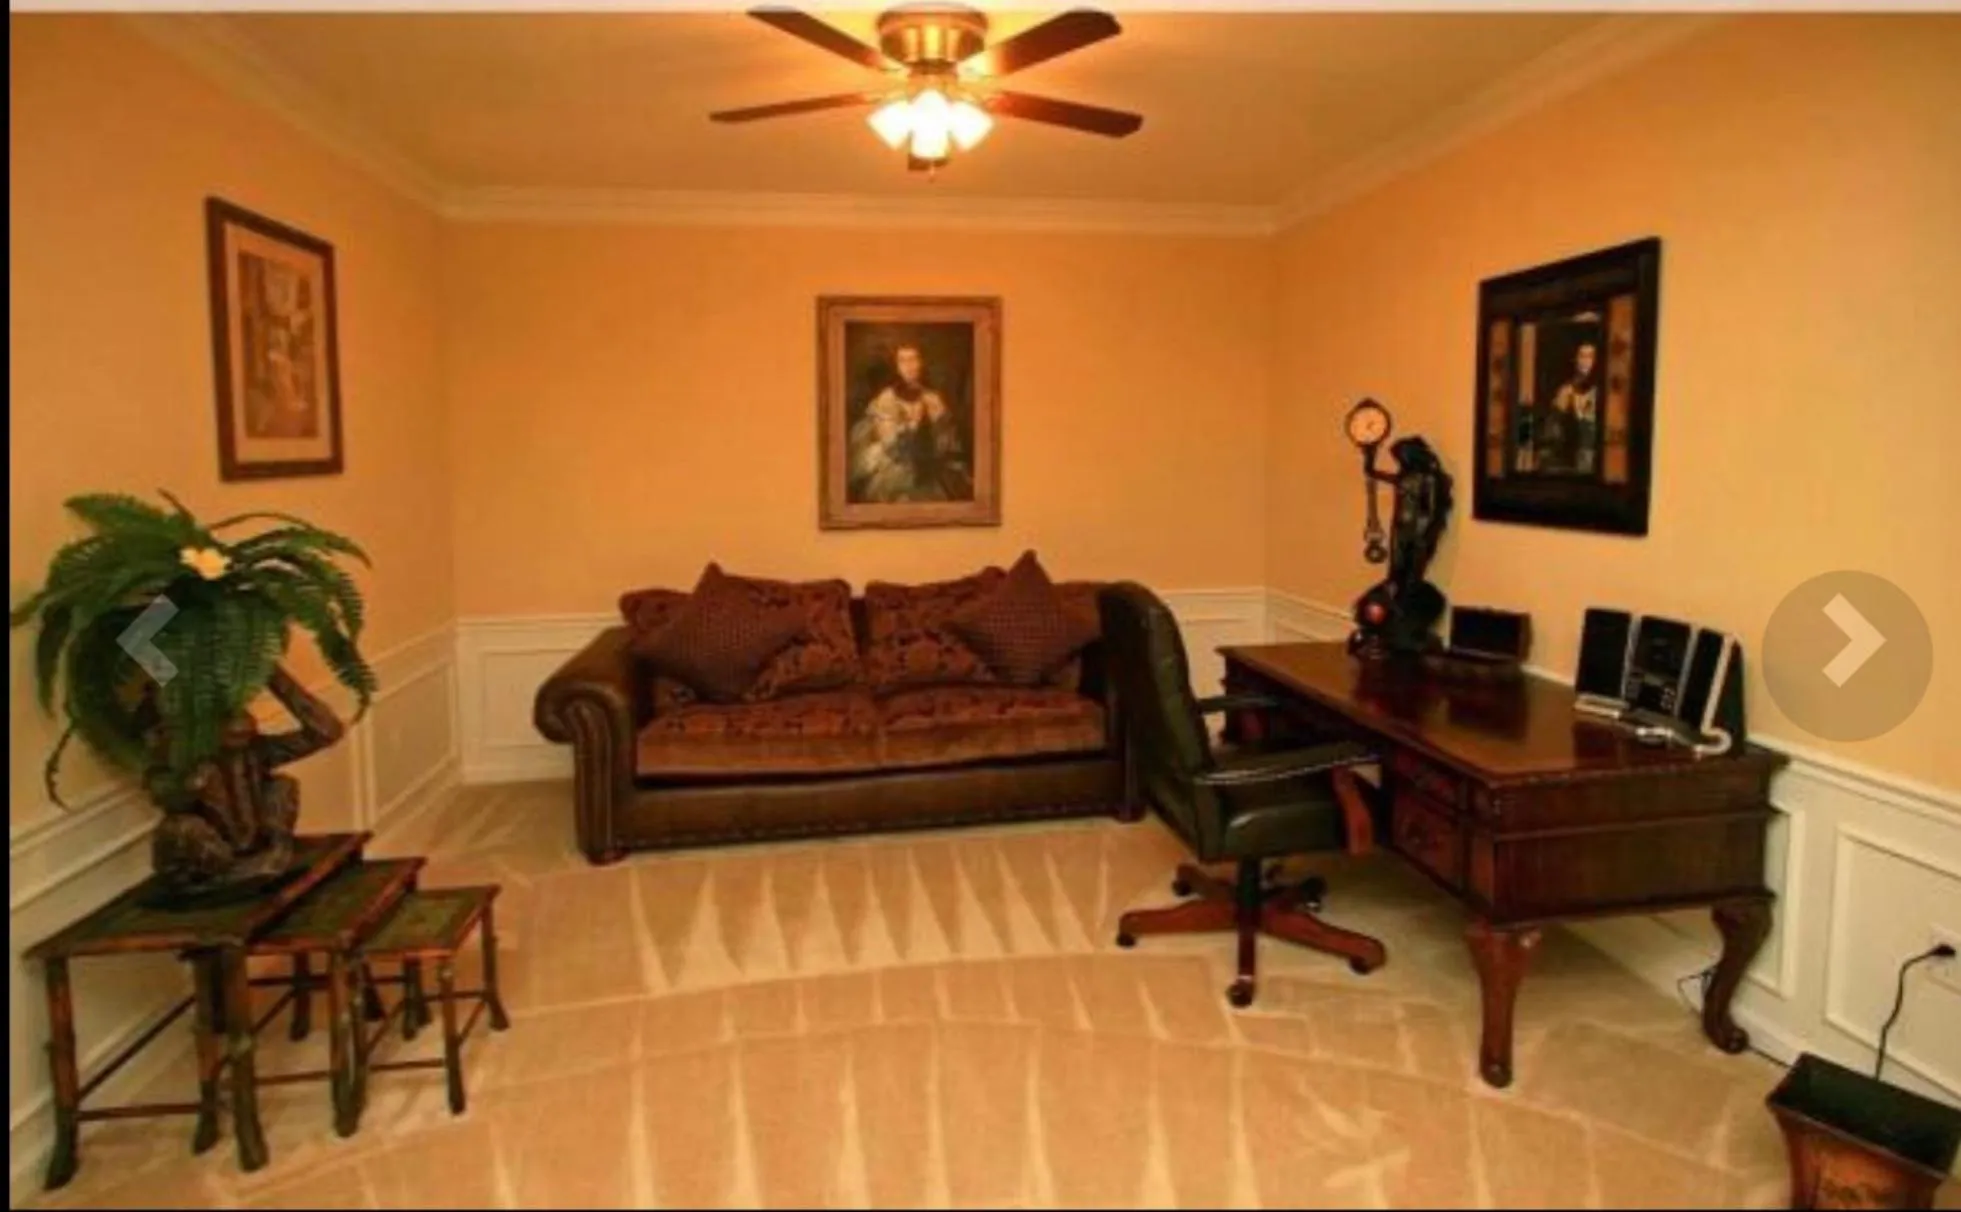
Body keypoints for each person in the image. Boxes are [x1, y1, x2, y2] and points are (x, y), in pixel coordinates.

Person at [847, 343, 971, 503]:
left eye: (913, 359)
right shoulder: (887, 398)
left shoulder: (933, 399)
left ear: (921, 363)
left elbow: (947, 441)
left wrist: (937, 437)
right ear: (897, 367)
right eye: (903, 361)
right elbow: (890, 445)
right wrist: (911, 427)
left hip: (929, 467)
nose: (909, 366)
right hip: (895, 466)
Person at [1538, 339, 1602, 474]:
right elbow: (1553, 425)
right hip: (1574, 457)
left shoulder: (1602, 390)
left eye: (1590, 357)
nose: (1585, 361)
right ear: (1576, 359)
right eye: (1582, 356)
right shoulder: (1566, 390)